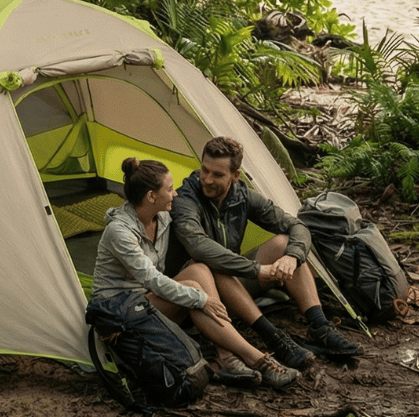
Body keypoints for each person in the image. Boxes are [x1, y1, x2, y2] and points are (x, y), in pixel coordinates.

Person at [90, 156, 299, 390]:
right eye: (170, 189)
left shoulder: (163, 218)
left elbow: (195, 238)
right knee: (195, 291)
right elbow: (152, 279)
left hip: (147, 302)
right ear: (151, 196)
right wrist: (202, 299)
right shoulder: (119, 232)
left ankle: (227, 356)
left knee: (199, 269)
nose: (175, 194)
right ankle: (258, 359)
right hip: (121, 313)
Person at [169, 135, 358, 363]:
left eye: (217, 174)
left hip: (231, 288)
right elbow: (198, 246)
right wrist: (258, 270)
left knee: (283, 243)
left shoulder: (243, 196)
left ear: (235, 176)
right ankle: (273, 337)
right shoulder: (185, 198)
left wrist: (292, 257)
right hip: (194, 295)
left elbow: (296, 225)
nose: (207, 180)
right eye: (204, 170)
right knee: (210, 263)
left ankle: (320, 327)